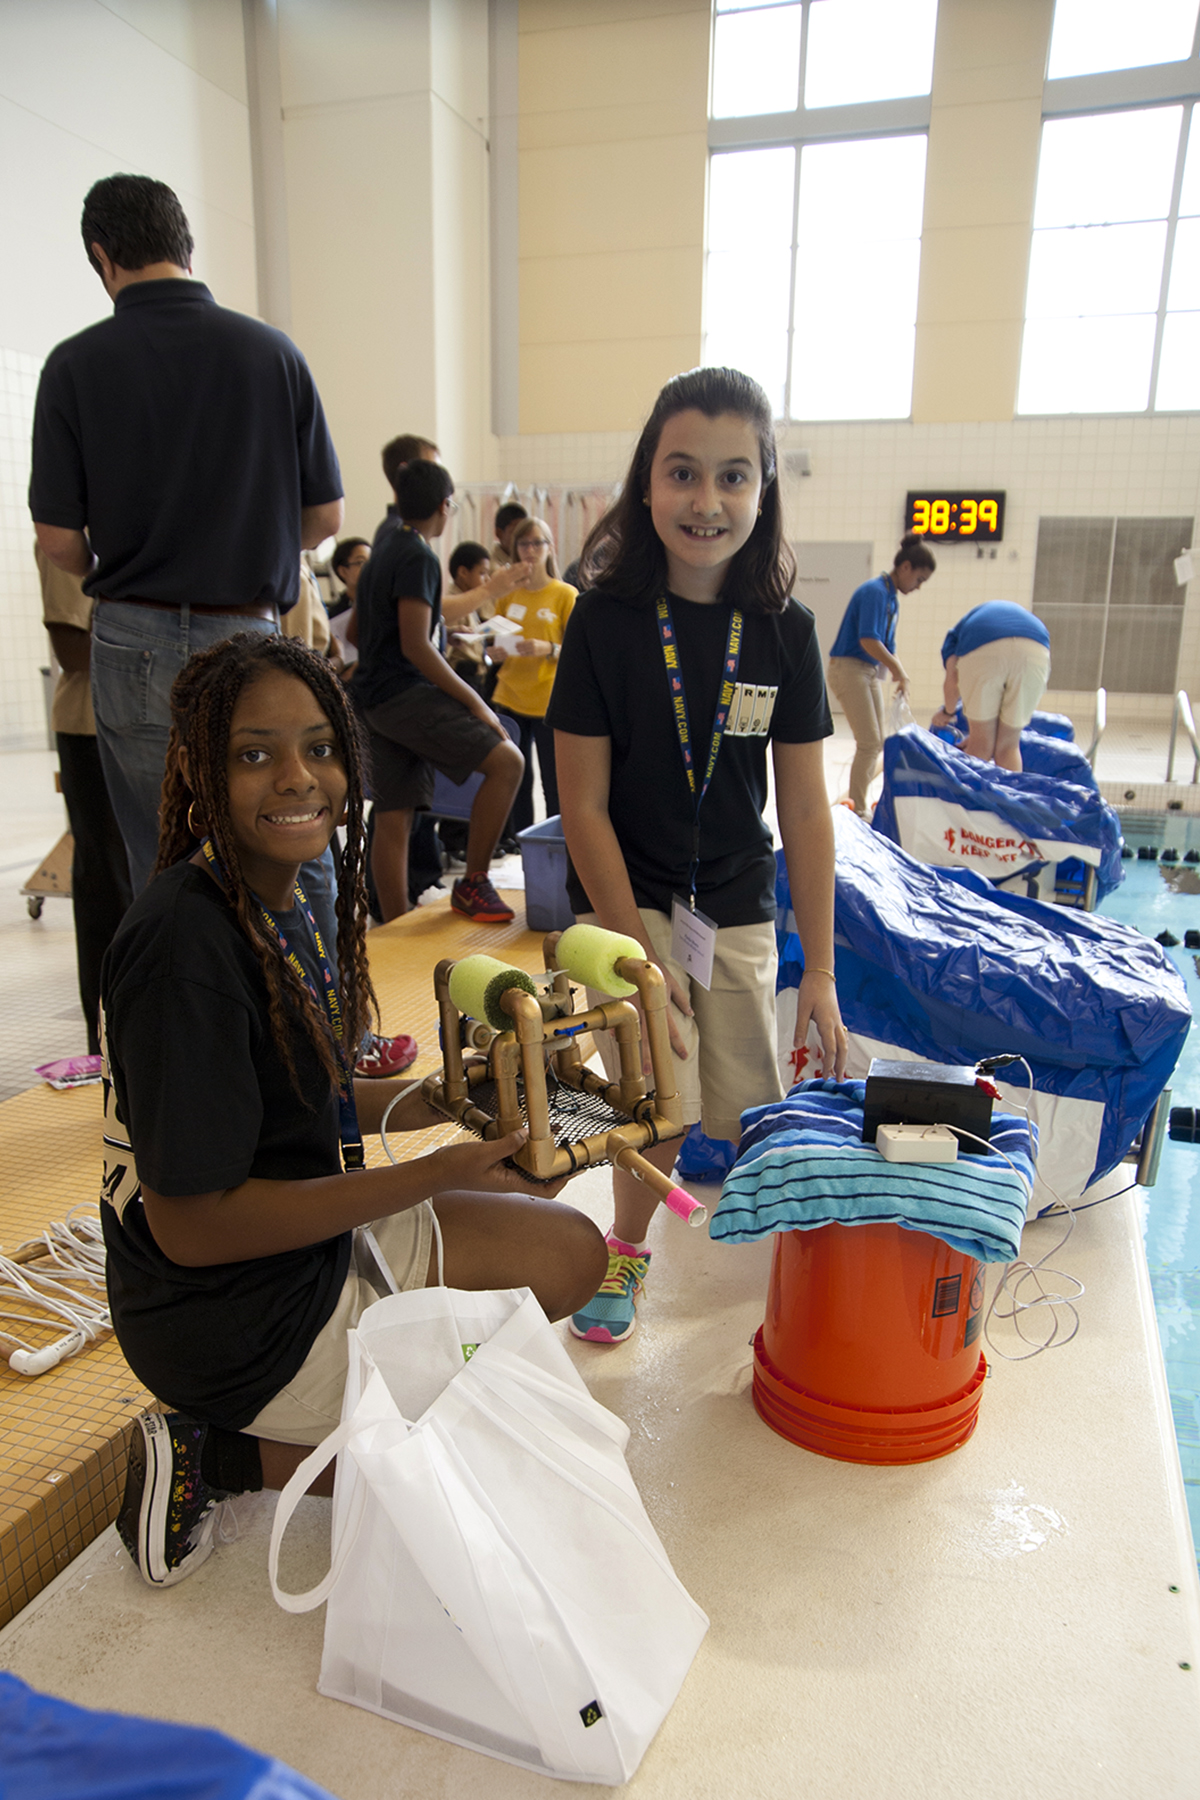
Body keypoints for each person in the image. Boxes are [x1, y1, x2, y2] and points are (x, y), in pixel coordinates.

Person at [100, 631, 606, 1589]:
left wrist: (435, 1103)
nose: (297, 777)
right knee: (498, 1448)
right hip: (227, 1314)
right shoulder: (184, 951)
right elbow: (193, 1228)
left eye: (319, 747)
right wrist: (423, 1176)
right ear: (199, 767)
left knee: (571, 1252)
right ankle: (218, 1454)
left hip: (299, 1244)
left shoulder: (261, 897)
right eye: (254, 753)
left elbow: (293, 1094)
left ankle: (367, 1393)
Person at [549, 365, 848, 1345]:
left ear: (763, 491)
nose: (707, 501)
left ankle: (780, 1264)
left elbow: (805, 813)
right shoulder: (600, 622)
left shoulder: (787, 635)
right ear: (647, 484)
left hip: (734, 903)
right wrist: (624, 942)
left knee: (743, 1108)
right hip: (627, 895)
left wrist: (824, 977)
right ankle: (626, 1251)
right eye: (683, 473)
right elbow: (579, 801)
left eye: (733, 477)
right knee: (657, 1104)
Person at [28, 174, 345, 896]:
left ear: (102, 257)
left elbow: (57, 541)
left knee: (166, 859)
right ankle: (315, 1005)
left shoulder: (74, 365)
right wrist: (247, 536)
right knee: (290, 842)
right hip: (249, 635)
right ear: (186, 246)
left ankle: (194, 1008)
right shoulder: (272, 353)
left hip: (132, 641)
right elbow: (326, 520)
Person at [352, 457, 524, 923]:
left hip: (373, 699)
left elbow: (354, 632)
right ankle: (473, 883)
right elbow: (416, 646)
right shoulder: (418, 556)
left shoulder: (383, 549)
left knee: (394, 813)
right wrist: (474, 702)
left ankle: (391, 922)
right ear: (446, 506)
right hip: (404, 695)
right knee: (508, 761)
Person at [35, 543, 132, 1055]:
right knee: (107, 887)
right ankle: (108, 1046)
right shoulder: (71, 540)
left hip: (141, 723)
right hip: (92, 729)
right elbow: (70, 644)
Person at [826, 534, 936, 817]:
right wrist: (899, 670)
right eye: (920, 579)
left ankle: (861, 802)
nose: (919, 587)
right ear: (906, 568)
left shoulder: (891, 598)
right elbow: (868, 641)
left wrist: (901, 677)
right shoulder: (875, 592)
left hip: (866, 670)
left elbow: (887, 646)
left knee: (878, 743)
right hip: (849, 668)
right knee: (869, 742)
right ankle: (859, 810)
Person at [491, 517, 576, 832]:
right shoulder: (508, 595)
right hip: (510, 695)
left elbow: (579, 653)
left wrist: (548, 648)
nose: (530, 550)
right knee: (516, 778)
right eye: (523, 544)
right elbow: (495, 639)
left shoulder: (564, 594)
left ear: (549, 547)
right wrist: (494, 651)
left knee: (554, 783)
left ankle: (559, 840)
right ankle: (517, 840)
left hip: (549, 699)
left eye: (536, 543)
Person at [932, 600, 1052, 772]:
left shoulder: (954, 637)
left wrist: (947, 713)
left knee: (981, 746)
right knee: (1009, 746)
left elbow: (952, 680)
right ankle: (1008, 798)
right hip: (1036, 651)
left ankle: (968, 799)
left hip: (983, 650)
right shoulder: (1002, 615)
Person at [491, 501, 528, 568]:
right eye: (515, 532)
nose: (521, 538)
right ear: (499, 533)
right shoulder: (493, 567)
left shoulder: (526, 558)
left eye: (524, 532)